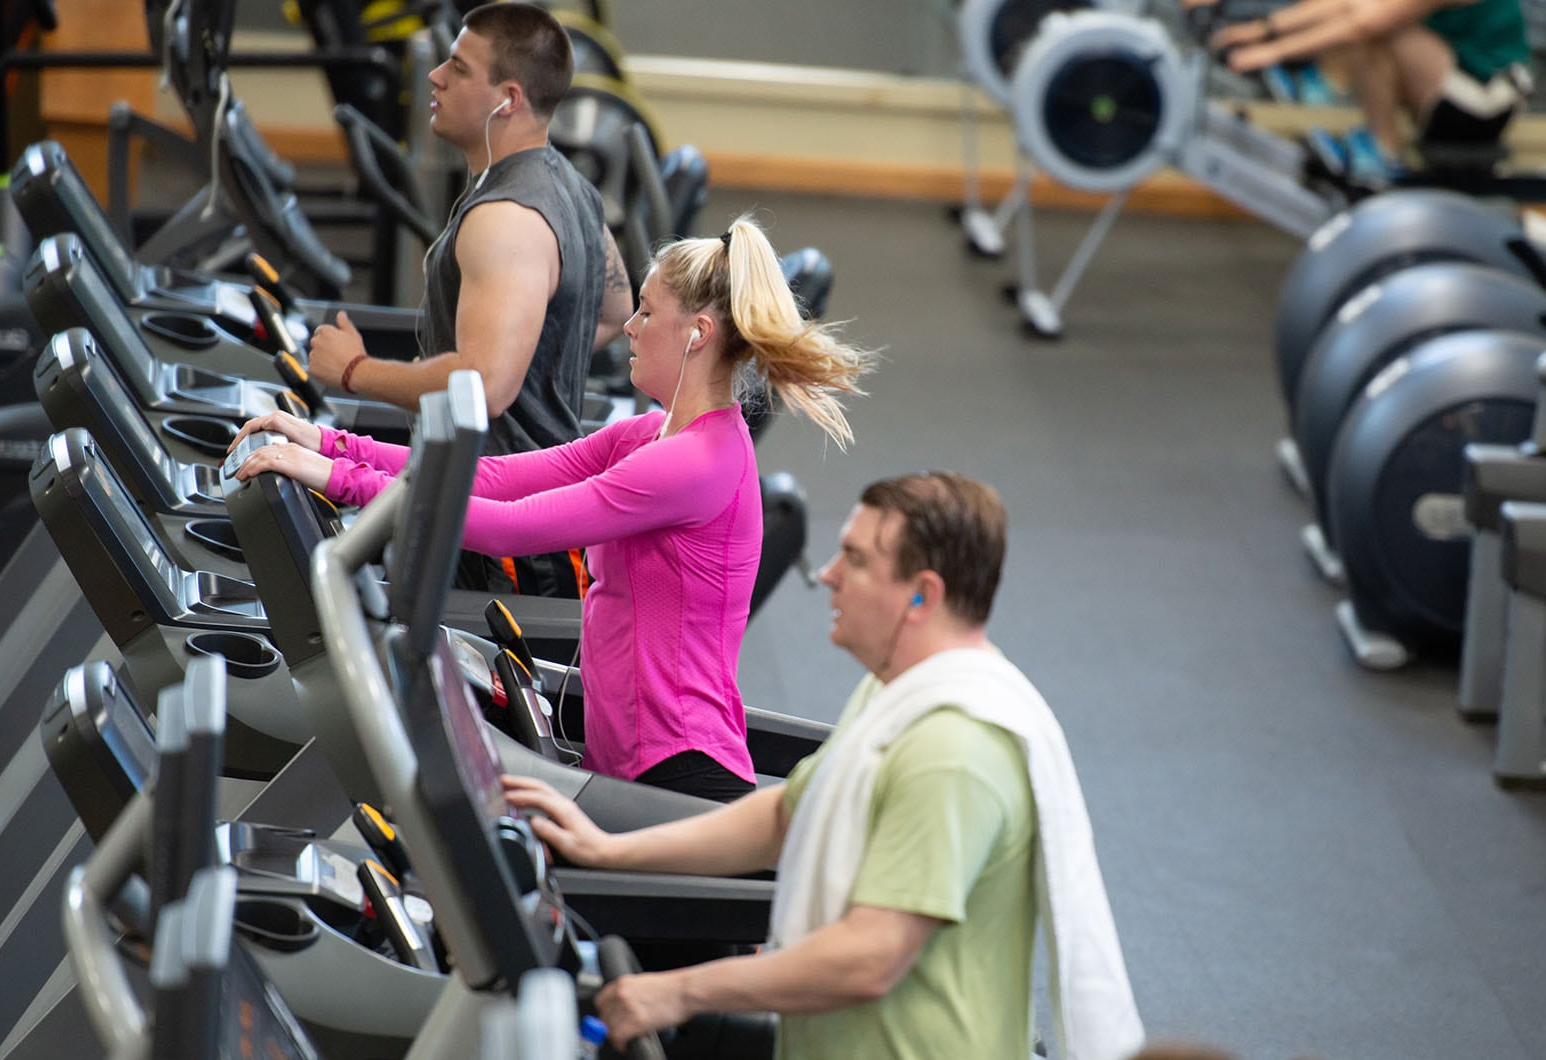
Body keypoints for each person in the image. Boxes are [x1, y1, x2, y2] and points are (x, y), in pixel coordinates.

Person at [501, 472, 1145, 1060]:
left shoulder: (954, 750)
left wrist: (678, 992)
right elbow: (787, 817)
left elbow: (869, 958)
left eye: (858, 560)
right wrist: (609, 847)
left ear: (922, 596)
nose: (828, 574)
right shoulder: (899, 687)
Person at [229, 216, 870, 802]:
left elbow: (511, 527)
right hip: (626, 755)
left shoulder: (692, 464)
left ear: (697, 333)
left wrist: (339, 480)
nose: (630, 327)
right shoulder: (650, 436)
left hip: (678, 771)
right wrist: (331, 444)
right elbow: (497, 479)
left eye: (647, 313)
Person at [305, 2, 635, 598]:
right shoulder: (572, 187)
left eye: (457, 68)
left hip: (498, 532)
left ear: (506, 98)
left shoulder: (505, 218)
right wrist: (524, 341)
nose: (435, 77)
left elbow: (483, 386)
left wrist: (355, 372)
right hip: (525, 510)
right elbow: (616, 310)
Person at [1191, 0, 1531, 183]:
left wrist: (1273, 52)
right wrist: (1261, 30)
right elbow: (1345, 4)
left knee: (1375, 33)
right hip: (1456, 87)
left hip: (1481, 106)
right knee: (1366, 21)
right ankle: (1319, 85)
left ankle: (1383, 153)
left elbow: (1367, 21)